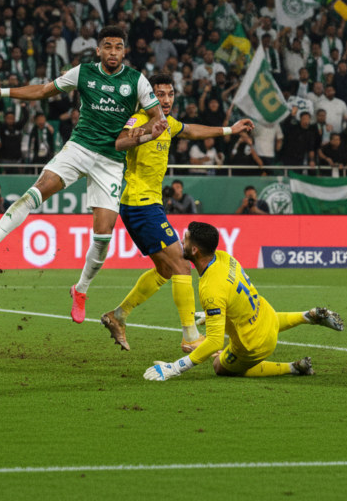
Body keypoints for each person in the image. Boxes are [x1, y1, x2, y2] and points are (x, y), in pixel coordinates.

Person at [0, 26, 163, 324]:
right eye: (107, 46)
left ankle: (80, 289)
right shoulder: (83, 72)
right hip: (79, 147)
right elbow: (44, 90)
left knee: (102, 237)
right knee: (36, 191)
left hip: (111, 160)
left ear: (125, 51)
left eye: (118, 47)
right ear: (98, 50)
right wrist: (2, 91)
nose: (113, 52)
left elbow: (158, 119)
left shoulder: (136, 80)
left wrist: (145, 130)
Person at [100, 73, 253, 352]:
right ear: (149, 96)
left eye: (170, 94)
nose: (166, 100)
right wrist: (145, 133)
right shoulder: (137, 118)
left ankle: (118, 316)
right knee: (183, 264)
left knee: (165, 270)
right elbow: (119, 142)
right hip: (139, 203)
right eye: (160, 94)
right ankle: (190, 337)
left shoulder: (169, 123)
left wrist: (231, 129)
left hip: (150, 204)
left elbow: (193, 130)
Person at [143, 222, 344, 381]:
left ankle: (293, 368)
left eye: (184, 240)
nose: (180, 242)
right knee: (256, 320)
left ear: (195, 250)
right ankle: (307, 317)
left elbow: (213, 342)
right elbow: (231, 295)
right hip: (266, 315)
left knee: (219, 367)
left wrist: (174, 367)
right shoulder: (224, 257)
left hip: (256, 343)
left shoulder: (210, 288)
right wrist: (212, 313)